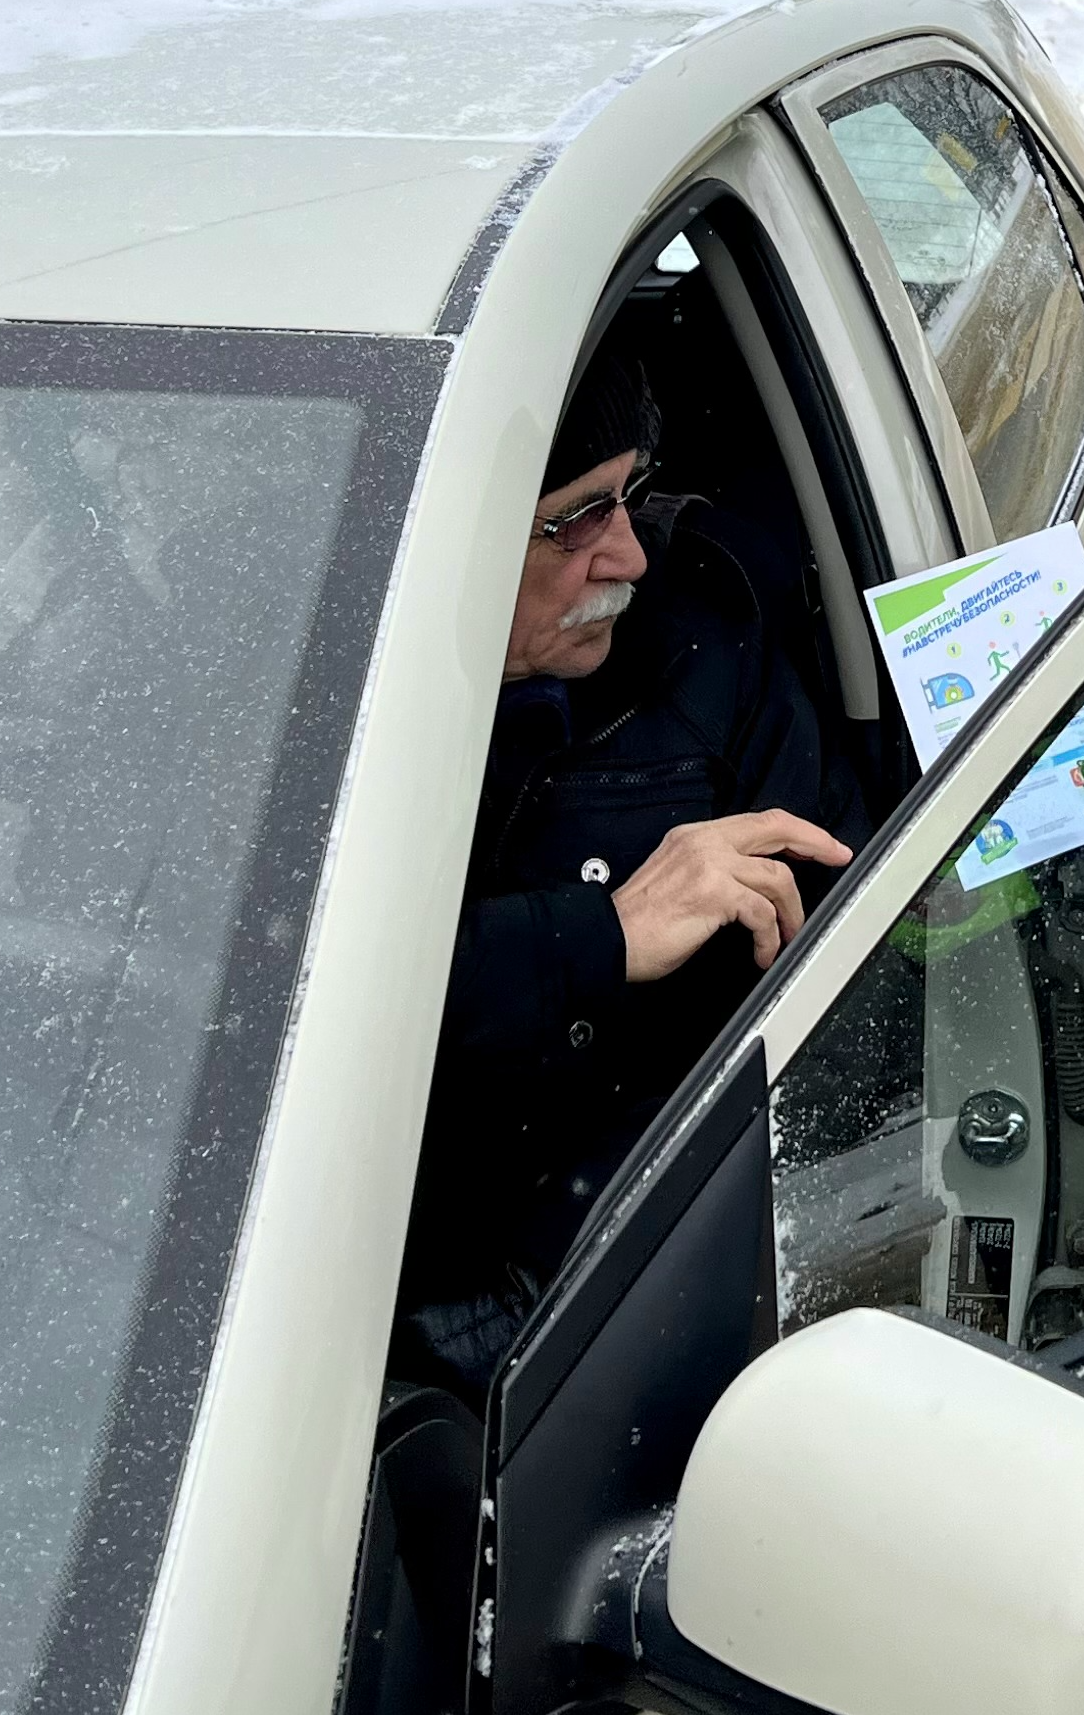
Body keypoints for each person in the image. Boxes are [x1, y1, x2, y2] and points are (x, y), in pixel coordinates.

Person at [399, 328, 869, 1384]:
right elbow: (278, 1017)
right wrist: (595, 939)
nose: (630, 558)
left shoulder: (704, 652)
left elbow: (849, 967)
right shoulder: (294, 726)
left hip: (617, 1321)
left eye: (630, 495)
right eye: (573, 521)